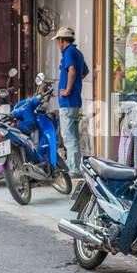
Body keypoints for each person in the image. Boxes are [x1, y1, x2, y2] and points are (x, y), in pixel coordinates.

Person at [54, 26, 88, 176]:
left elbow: (73, 70)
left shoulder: (68, 52)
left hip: (68, 101)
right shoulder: (77, 52)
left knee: (69, 137)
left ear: (61, 40)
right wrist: (75, 85)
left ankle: (74, 168)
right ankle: (75, 166)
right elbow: (85, 71)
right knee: (73, 135)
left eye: (58, 41)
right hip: (75, 101)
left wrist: (68, 90)